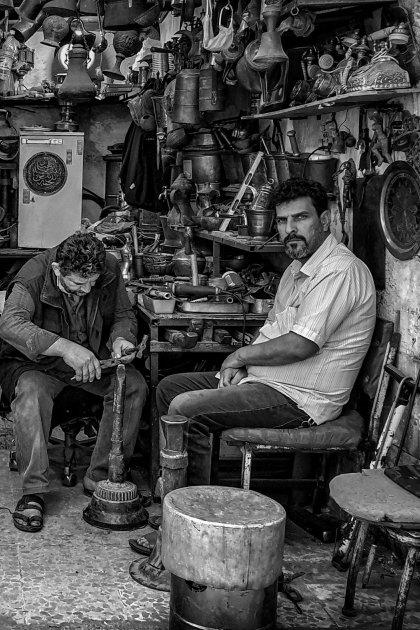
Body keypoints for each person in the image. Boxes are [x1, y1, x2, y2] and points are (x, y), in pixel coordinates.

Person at [156, 178, 376, 487]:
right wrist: (244, 366)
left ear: (325, 220)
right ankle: (173, 488)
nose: (290, 228)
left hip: (298, 399)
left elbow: (301, 345)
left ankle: (192, 512)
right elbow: (275, 330)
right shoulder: (295, 269)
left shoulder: (340, 271)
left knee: (186, 409)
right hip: (265, 382)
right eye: (283, 221)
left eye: (301, 218)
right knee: (169, 389)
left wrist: (239, 355)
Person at [0, 231, 148, 533]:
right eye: (78, 284)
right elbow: (10, 325)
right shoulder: (34, 276)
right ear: (57, 271)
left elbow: (122, 312)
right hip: (39, 363)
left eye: (92, 282)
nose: (87, 288)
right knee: (31, 393)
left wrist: (122, 339)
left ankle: (102, 477)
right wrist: (65, 348)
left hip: (91, 360)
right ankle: (33, 492)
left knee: (133, 385)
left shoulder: (107, 266)